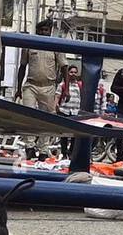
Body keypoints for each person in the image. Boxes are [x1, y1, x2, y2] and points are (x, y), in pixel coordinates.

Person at [15, 21, 66, 159]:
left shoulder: (55, 45)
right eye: (41, 30)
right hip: (31, 85)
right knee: (27, 115)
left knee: (47, 118)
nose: (44, 32)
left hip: (49, 86)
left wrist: (65, 88)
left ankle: (43, 150)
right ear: (37, 30)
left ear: (50, 31)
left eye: (47, 30)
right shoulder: (29, 44)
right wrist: (18, 88)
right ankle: (29, 146)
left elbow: (64, 67)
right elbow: (22, 67)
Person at [57, 64, 83, 156]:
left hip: (75, 112)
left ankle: (71, 153)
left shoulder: (80, 85)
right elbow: (57, 96)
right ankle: (64, 153)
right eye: (71, 72)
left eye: (75, 72)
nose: (73, 74)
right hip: (64, 111)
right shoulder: (62, 85)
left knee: (74, 135)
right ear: (68, 73)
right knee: (64, 134)